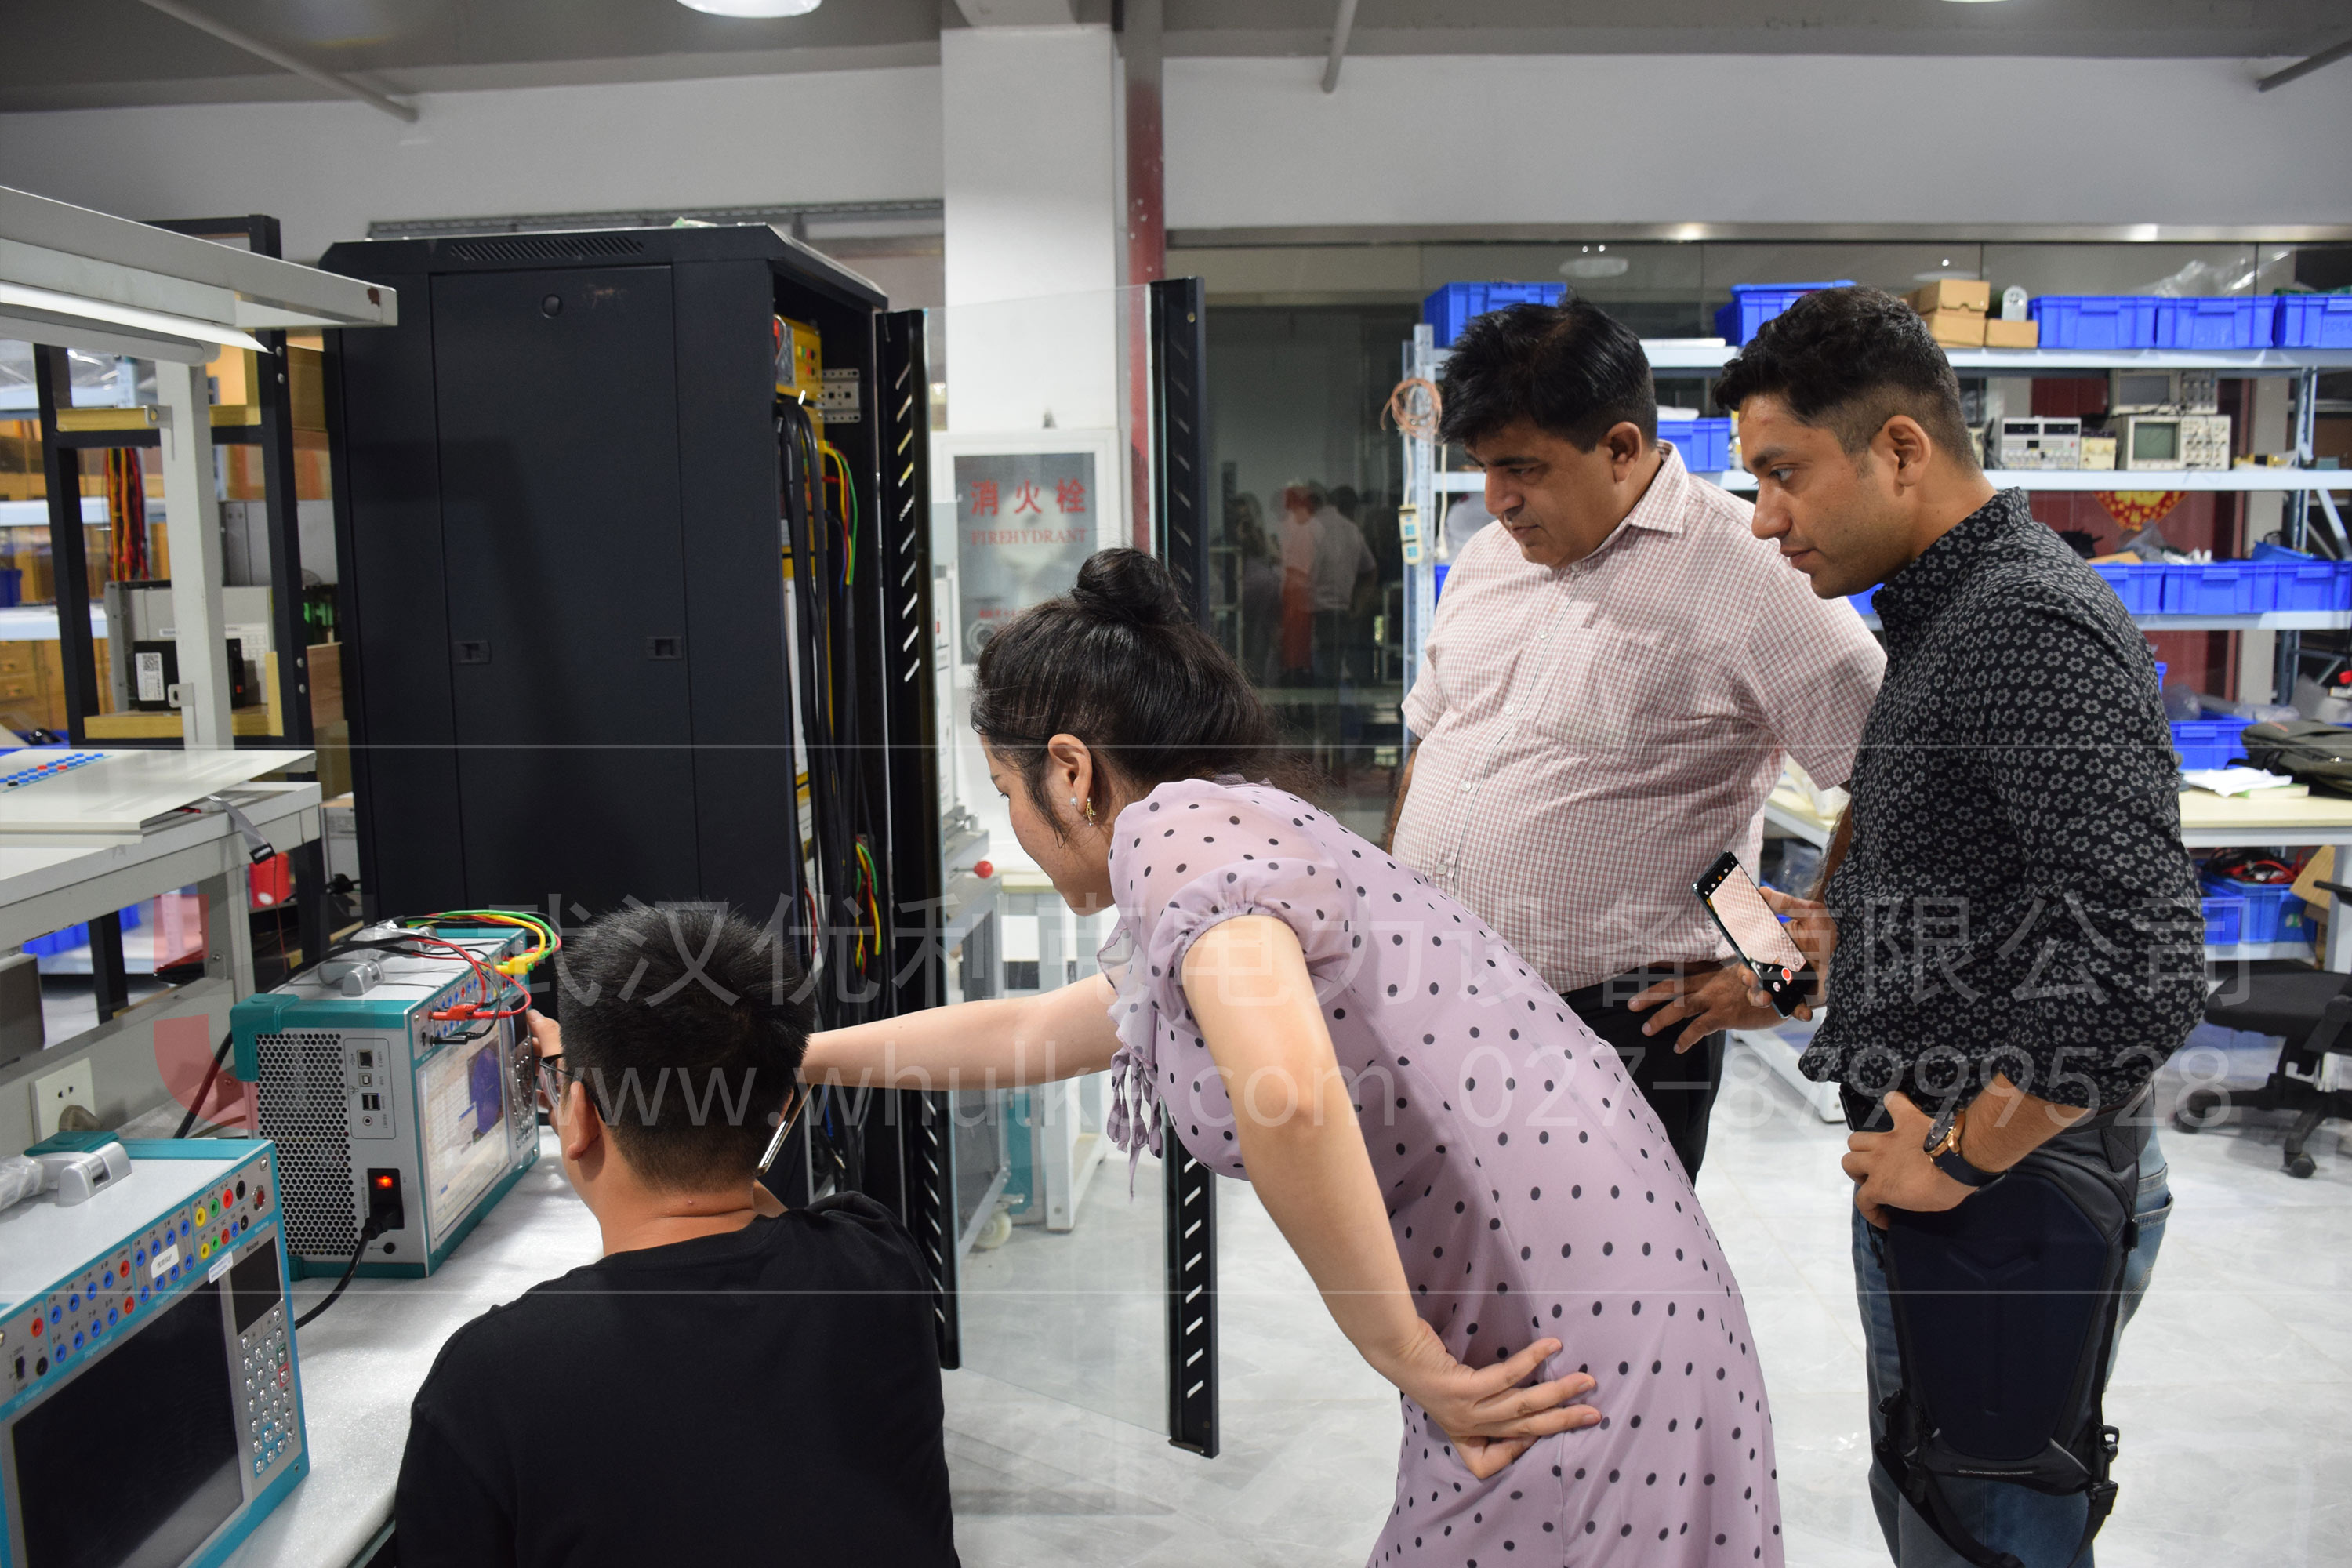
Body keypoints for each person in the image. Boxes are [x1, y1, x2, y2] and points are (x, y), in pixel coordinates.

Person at [803, 548, 1784, 1566]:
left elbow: (1290, 1097)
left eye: (1007, 787)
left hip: (1575, 1348)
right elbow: (1036, 1031)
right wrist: (806, 1055)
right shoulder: (1232, 826)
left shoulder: (1174, 835)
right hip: (1604, 1292)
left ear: (1071, 770)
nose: (1014, 821)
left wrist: (1398, 1347)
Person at [1715, 286, 2199, 1567]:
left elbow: (2142, 963)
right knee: (1944, 1512)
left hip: (2011, 1194)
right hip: (1964, 1184)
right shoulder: (1947, 615)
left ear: (1900, 450)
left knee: (1989, 1535)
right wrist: (1861, 943)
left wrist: (1961, 1155)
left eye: (1783, 474)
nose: (1763, 519)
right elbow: (2016, 887)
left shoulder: (2021, 623)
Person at [1387, 299, 1884, 1179]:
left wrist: (1781, 975)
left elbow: (1894, 774)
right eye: (1483, 469)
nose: (1497, 500)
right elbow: (1437, 742)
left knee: (1598, 1268)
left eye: (1522, 469)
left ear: (1620, 448)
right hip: (1438, 1000)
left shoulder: (1751, 573)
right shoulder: (1489, 557)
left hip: (1622, 1024)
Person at [394, 906, 960, 1568]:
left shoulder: (490, 1380)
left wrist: (582, 1081)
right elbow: (746, 1204)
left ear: (580, 1118)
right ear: (784, 1107)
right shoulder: (879, 1259)